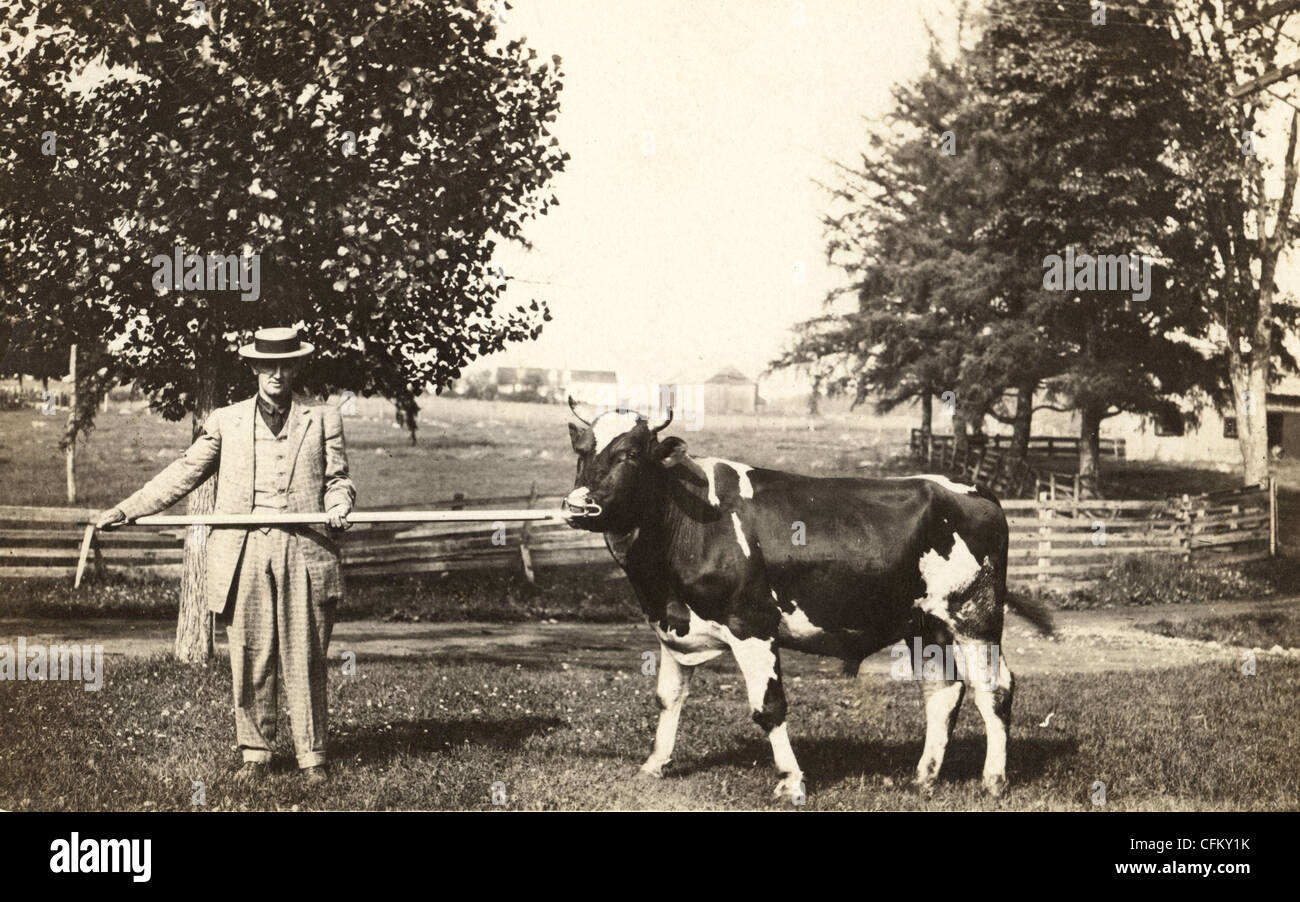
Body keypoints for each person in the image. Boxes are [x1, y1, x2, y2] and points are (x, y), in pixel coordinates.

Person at [97, 327, 355, 787]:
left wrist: (339, 504)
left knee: (305, 656)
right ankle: (255, 752)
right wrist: (125, 509)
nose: (276, 374)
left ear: (296, 367)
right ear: (254, 367)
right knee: (251, 655)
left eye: (285, 365)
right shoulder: (226, 420)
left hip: (305, 548)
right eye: (267, 365)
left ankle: (312, 757)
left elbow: (338, 479)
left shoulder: (322, 418)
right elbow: (184, 472)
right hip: (244, 549)